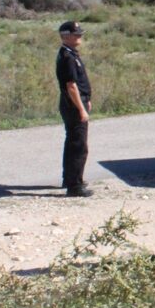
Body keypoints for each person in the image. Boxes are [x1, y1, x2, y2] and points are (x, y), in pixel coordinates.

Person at [56, 21, 93, 198]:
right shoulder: (67, 57)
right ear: (66, 36)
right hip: (73, 105)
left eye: (80, 34)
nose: (79, 37)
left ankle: (69, 178)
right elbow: (71, 86)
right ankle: (75, 185)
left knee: (72, 141)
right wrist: (81, 109)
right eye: (75, 34)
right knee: (78, 145)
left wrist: (87, 100)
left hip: (76, 102)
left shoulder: (70, 53)